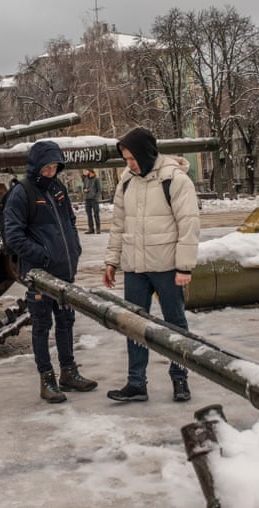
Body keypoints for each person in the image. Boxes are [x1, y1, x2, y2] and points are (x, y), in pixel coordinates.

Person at [103, 127, 200, 403]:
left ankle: (180, 379)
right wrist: (111, 261)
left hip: (167, 266)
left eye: (132, 159)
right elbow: (119, 225)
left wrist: (184, 267)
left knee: (175, 324)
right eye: (126, 159)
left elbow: (189, 224)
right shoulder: (126, 181)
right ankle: (136, 383)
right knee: (133, 324)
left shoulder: (175, 180)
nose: (129, 164)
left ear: (146, 155)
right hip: (135, 267)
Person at [4, 141, 97, 403]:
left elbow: (69, 222)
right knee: (42, 326)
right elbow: (13, 236)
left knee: (66, 322)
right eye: (47, 167)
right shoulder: (22, 193)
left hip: (64, 272)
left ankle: (68, 371)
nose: (51, 172)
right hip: (40, 276)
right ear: (36, 166)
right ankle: (47, 378)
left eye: (55, 167)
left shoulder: (57, 189)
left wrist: (74, 250)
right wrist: (42, 256)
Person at [83, 168, 102, 234]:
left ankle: (98, 229)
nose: (85, 172)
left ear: (91, 172)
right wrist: (85, 190)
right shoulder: (86, 179)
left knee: (96, 214)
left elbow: (99, 190)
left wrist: (96, 198)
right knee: (89, 215)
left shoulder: (96, 179)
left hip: (94, 200)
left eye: (87, 171)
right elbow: (84, 188)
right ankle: (91, 229)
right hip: (87, 199)